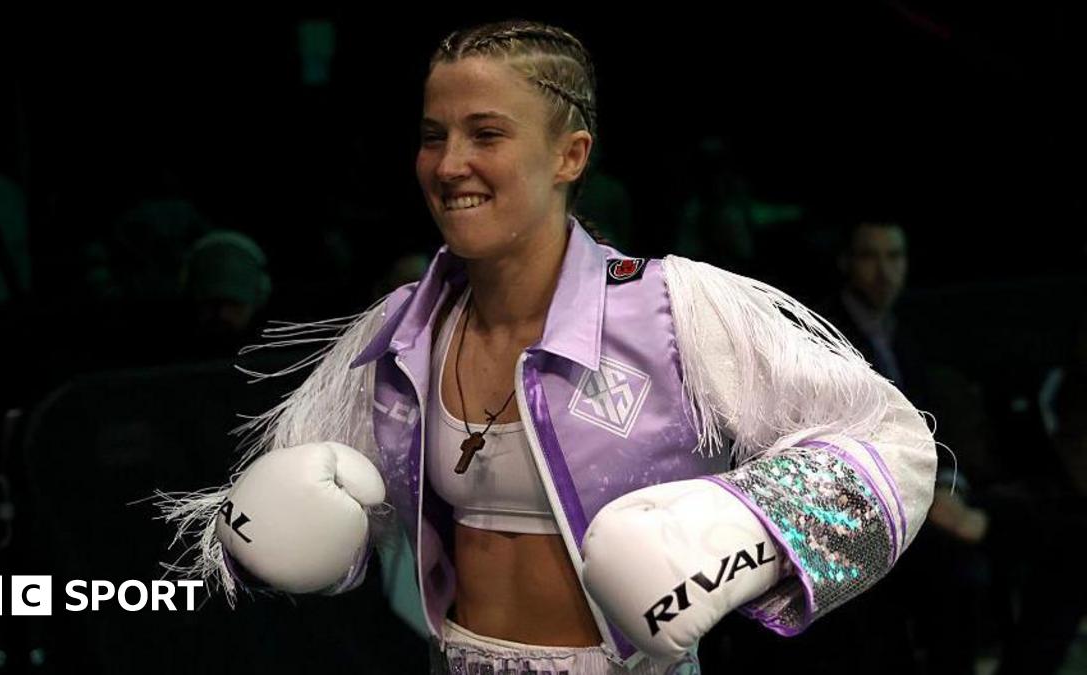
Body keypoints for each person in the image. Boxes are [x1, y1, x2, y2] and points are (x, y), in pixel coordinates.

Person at [161, 20, 937, 675]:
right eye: (433, 136)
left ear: (570, 155)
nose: (449, 164)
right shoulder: (402, 332)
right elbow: (295, 524)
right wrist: (286, 535)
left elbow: (894, 444)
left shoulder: (673, 308)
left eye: (486, 134)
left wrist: (749, 526)